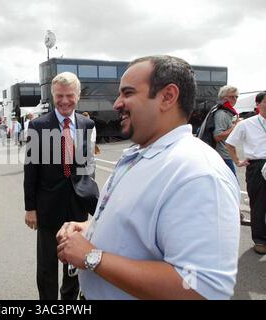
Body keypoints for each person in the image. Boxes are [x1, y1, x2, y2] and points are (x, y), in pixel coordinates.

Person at [57, 55, 240, 300]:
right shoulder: (138, 154)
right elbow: (136, 224)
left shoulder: (198, 174)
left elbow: (201, 289)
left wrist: (92, 257)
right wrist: (90, 228)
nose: (117, 104)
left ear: (167, 97)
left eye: (128, 93)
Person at [24, 71, 99, 300]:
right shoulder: (38, 125)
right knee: (47, 265)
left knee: (74, 264)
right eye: (59, 96)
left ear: (78, 95)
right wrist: (30, 208)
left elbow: (88, 165)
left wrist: (89, 195)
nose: (64, 101)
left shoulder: (88, 124)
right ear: (52, 96)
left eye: (69, 95)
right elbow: (31, 169)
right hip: (48, 207)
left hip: (77, 205)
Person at [226, 91, 266, 255]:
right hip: (257, 165)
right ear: (258, 104)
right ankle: (260, 240)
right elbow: (230, 143)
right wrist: (237, 161)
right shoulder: (247, 124)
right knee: (259, 204)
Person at [213, 85, 240, 176]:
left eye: (236, 96)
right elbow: (217, 136)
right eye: (231, 96)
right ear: (224, 98)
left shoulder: (227, 112)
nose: (235, 99)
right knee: (232, 185)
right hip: (223, 156)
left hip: (226, 155)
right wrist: (235, 126)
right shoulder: (222, 114)